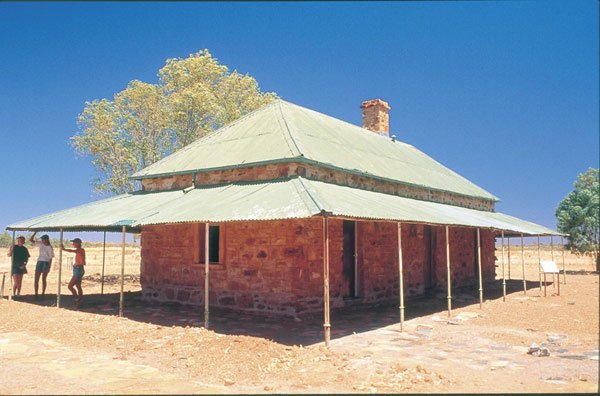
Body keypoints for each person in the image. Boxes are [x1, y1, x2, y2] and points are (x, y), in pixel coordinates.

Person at [61, 238, 86, 307]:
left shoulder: (79, 250)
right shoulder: (80, 250)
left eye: (74, 243)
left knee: (70, 286)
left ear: (78, 243)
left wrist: (64, 249)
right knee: (78, 285)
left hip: (78, 270)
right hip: (79, 269)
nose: (73, 244)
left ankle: (76, 299)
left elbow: (71, 251)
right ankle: (80, 300)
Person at [29, 232, 55, 298]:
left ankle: (43, 293)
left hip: (45, 263)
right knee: (36, 279)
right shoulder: (40, 244)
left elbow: (50, 258)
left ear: (46, 239)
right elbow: (31, 240)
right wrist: (35, 232)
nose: (42, 240)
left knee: (43, 279)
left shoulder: (49, 247)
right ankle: (36, 293)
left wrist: (49, 267)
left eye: (43, 239)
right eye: (42, 239)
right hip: (39, 262)